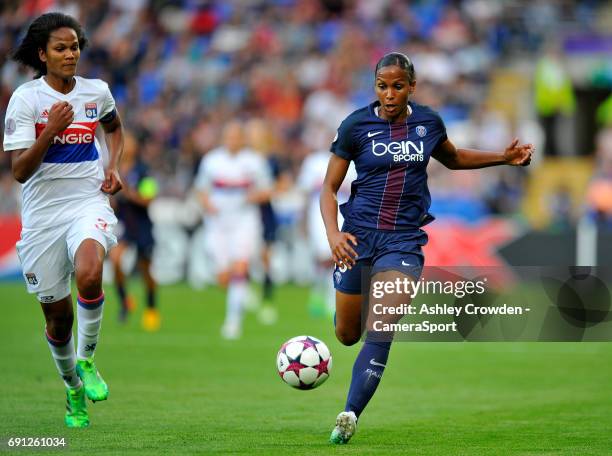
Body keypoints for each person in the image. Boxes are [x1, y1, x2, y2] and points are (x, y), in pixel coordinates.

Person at [320, 52, 533, 444]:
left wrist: (502, 158)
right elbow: (329, 188)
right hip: (357, 238)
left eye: (397, 86)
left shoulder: (427, 123)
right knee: (347, 334)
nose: (389, 94)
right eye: (382, 86)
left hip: (403, 240)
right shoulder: (355, 126)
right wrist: (334, 235)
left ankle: (349, 414)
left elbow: (452, 159)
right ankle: (360, 308)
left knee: (381, 327)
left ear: (412, 87)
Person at [3, 13, 124, 428]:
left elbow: (114, 127)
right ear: (43, 54)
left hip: (87, 202)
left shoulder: (97, 92)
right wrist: (50, 130)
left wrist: (114, 166)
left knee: (90, 274)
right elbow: (19, 171)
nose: (70, 54)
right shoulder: (26, 100)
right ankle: (72, 387)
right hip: (42, 218)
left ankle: (87, 362)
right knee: (58, 319)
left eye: (74, 46)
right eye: (61, 48)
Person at [194, 120, 272, 340]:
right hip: (217, 222)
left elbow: (267, 190)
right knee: (223, 277)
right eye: (230, 136)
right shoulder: (211, 161)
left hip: (244, 220)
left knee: (240, 267)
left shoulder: (254, 161)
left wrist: (252, 196)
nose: (233, 141)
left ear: (242, 139)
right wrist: (206, 203)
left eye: (237, 137)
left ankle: (232, 322)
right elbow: (200, 190)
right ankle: (243, 293)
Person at [108, 131, 160, 330]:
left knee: (146, 270)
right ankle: (124, 302)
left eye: (130, 143)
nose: (126, 146)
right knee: (115, 260)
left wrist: (129, 192)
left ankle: (151, 307)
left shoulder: (144, 171)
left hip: (142, 224)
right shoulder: (113, 168)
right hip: (123, 223)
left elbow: (149, 198)